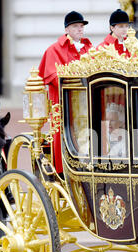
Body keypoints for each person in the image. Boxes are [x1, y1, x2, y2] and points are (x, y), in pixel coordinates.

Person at [38, 11, 92, 173]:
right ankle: (63, 173)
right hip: (63, 106)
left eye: (81, 26)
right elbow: (52, 76)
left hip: (86, 104)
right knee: (63, 139)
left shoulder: (89, 48)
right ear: (67, 29)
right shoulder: (54, 50)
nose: (80, 29)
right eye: (76, 26)